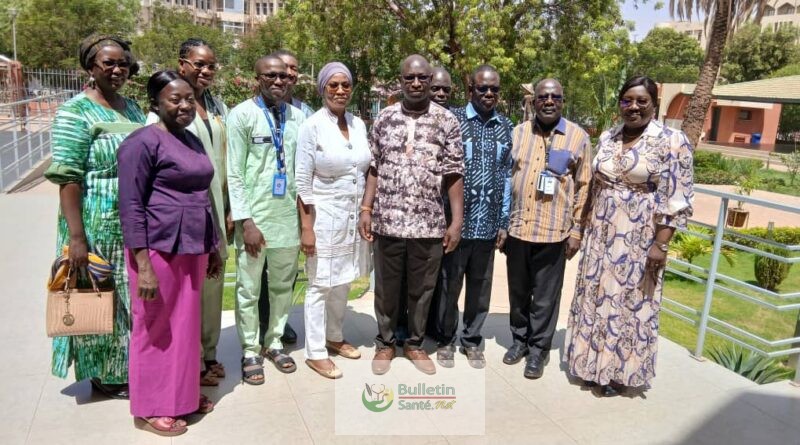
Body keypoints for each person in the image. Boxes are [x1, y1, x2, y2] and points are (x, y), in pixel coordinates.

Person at [563, 76, 693, 396]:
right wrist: (580, 228)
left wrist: (660, 244)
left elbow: (676, 199)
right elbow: (594, 186)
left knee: (631, 303)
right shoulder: (609, 136)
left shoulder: (672, 141)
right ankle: (591, 367)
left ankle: (619, 373)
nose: (633, 107)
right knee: (596, 296)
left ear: (654, 104)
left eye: (641, 101)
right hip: (601, 233)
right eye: (626, 100)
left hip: (639, 237)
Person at [118, 70, 222, 436]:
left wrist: (213, 248)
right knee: (155, 327)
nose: (183, 106)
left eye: (189, 99)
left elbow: (202, 199)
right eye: (174, 99)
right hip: (157, 251)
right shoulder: (141, 143)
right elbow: (130, 207)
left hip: (192, 248)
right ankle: (150, 407)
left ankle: (183, 396)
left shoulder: (192, 141)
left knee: (184, 327)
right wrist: (143, 265)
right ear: (155, 104)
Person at [43, 34, 146, 400]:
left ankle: (130, 366)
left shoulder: (133, 109)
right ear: (90, 67)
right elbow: (68, 177)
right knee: (100, 296)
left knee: (129, 300)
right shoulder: (75, 111)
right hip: (94, 221)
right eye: (108, 63)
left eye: (122, 63)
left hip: (132, 222)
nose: (117, 70)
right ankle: (105, 375)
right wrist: (77, 238)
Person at [359, 54, 464, 376]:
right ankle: (386, 343)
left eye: (422, 78)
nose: (416, 84)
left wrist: (456, 221)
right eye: (409, 78)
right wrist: (366, 208)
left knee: (422, 290)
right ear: (400, 81)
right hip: (388, 219)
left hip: (428, 223)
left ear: (431, 81)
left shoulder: (447, 121)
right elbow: (374, 168)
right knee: (387, 288)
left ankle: (415, 344)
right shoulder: (384, 118)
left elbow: (455, 174)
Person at [145, 38, 229, 387]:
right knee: (188, 291)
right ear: (182, 64)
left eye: (211, 65)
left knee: (213, 285)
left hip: (217, 210)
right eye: (199, 64)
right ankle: (190, 361)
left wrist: (227, 209)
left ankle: (209, 353)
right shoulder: (164, 112)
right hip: (186, 215)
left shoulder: (217, 105)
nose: (206, 70)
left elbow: (225, 161)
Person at [504, 78, 591, 379]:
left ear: (563, 101)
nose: (549, 101)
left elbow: (584, 186)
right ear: (534, 101)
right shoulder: (518, 133)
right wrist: (503, 223)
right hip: (518, 228)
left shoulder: (578, 137)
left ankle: (538, 351)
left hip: (555, 232)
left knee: (545, 296)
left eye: (555, 96)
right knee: (518, 292)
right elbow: (506, 179)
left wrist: (577, 230)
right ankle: (518, 341)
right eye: (543, 96)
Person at [227, 55, 305, 384]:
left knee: (282, 287)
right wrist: (246, 221)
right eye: (269, 76)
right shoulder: (241, 115)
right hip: (254, 222)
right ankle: (249, 349)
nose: (278, 81)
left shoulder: (299, 117)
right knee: (248, 289)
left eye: (283, 76)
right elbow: (235, 172)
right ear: (257, 78)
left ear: (290, 79)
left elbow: (303, 171)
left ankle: (274, 342)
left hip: (287, 219)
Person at [429, 65, 513, 369]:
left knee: (480, 287)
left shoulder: (506, 126)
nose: (489, 94)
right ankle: (446, 340)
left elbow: (506, 176)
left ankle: (472, 340)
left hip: (488, 224)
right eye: (482, 89)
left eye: (494, 89)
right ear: (470, 91)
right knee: (450, 286)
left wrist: (504, 221)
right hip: (456, 223)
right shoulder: (453, 121)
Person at [295, 62, 371, 379]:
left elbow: (366, 169)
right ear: (323, 88)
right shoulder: (312, 126)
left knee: (343, 281)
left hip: (351, 217)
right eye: (333, 85)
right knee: (319, 285)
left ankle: (334, 336)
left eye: (345, 85)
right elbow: (302, 182)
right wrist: (307, 229)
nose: (340, 90)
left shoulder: (358, 124)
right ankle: (315, 352)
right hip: (323, 216)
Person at [257, 50, 309, 348]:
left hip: (291, 206)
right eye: (282, 69)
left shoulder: (303, 113)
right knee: (257, 275)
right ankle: (261, 326)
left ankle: (279, 321)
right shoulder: (250, 112)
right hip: (261, 207)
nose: (287, 75)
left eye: (293, 70)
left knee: (285, 273)